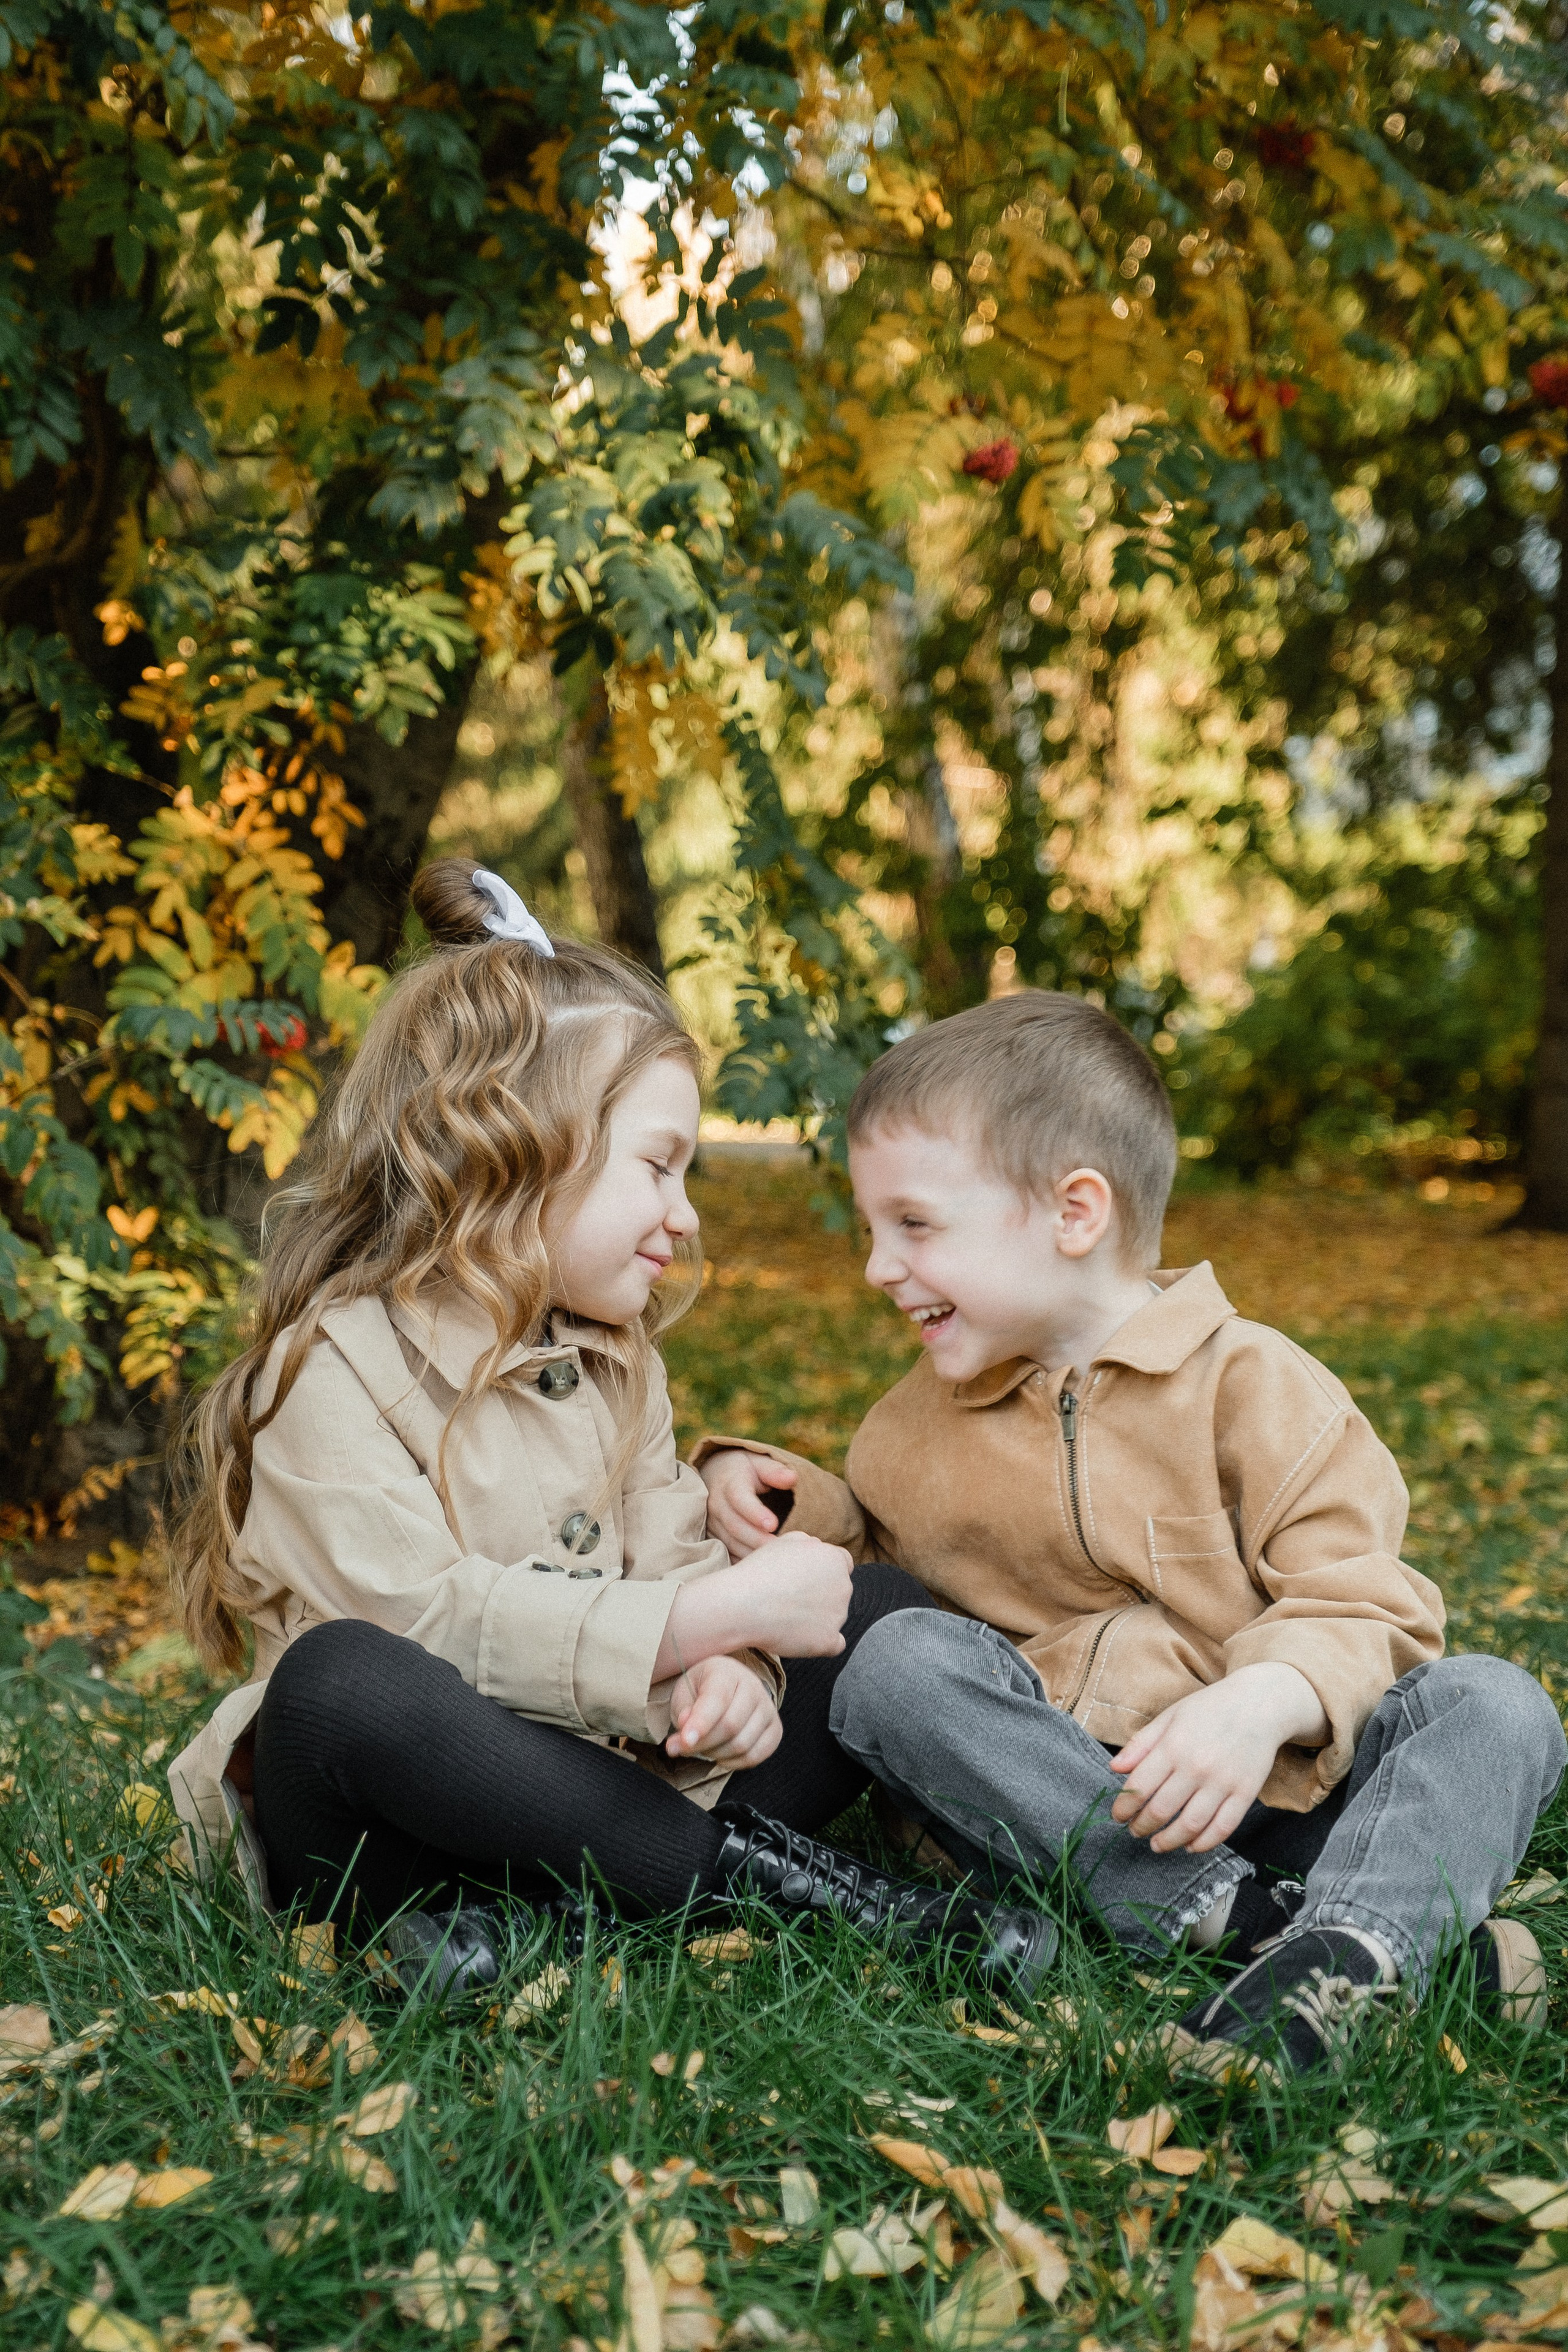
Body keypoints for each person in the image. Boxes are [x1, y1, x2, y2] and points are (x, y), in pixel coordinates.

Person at [164, 861, 1054, 2001]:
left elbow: (673, 1556)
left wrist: (729, 1671)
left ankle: (544, 1926)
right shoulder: (328, 1369)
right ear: (515, 1146)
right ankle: (795, 1896)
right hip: (402, 1835)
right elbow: (427, 1623)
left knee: (872, 1608)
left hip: (616, 1783)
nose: (685, 1214)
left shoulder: (618, 1361)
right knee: (339, 1679)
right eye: (659, 1166)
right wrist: (699, 1625)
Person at [696, 991, 1567, 2077]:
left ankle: (1347, 1943)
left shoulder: (1257, 1386)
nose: (878, 1265)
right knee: (895, 1661)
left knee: (1497, 1704)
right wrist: (785, 1502)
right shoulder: (910, 1430)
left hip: (1293, 1786)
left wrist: (1262, 1701)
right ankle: (1295, 1944)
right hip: (1074, 1808)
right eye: (876, 1230)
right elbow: (880, 1580)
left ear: (1075, 1213)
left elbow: (1367, 1603)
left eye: (914, 1225)